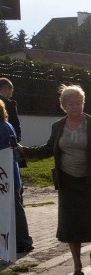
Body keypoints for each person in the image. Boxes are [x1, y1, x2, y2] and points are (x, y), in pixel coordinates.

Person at [17, 84, 91, 275]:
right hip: (67, 182)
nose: (76, 107)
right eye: (71, 104)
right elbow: (47, 149)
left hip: (90, 180)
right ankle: (77, 265)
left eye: (79, 103)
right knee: (71, 225)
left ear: (83, 103)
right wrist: (25, 151)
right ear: (64, 106)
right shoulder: (58, 126)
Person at [0, 78, 33, 254]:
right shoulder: (7, 125)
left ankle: (22, 241)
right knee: (15, 204)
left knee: (14, 205)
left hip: (5, 173)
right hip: (10, 171)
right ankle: (19, 240)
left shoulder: (3, 127)